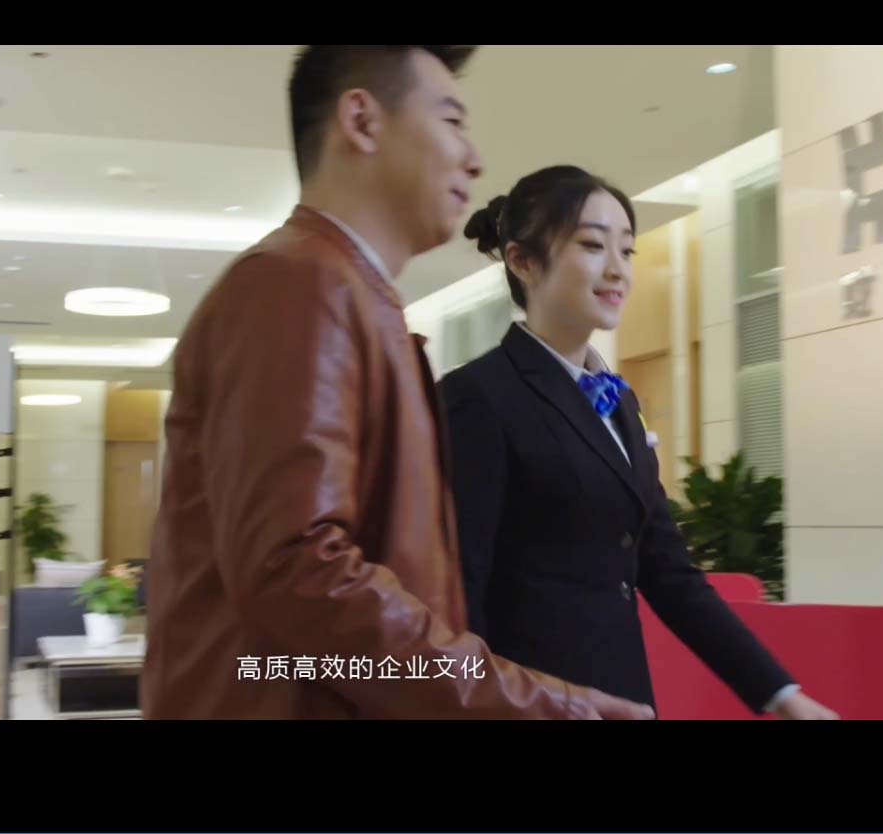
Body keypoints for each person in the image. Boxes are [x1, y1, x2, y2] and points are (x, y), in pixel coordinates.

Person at [140, 47, 655, 720]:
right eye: (451, 121)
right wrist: (533, 703)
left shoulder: (351, 298)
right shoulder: (300, 285)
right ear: (362, 120)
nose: (473, 159)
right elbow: (298, 570)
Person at [441, 164, 839, 720]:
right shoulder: (478, 396)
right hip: (536, 706)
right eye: (592, 245)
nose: (617, 270)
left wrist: (780, 694)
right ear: (522, 261)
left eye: (626, 250)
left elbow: (668, 572)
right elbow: (460, 596)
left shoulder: (619, 403)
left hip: (625, 700)